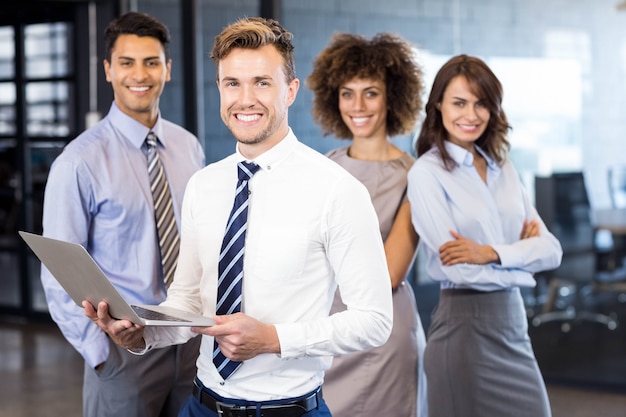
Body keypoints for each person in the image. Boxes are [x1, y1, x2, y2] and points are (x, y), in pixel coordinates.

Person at [85, 16, 393, 417]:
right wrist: (143, 334)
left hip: (289, 410)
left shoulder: (337, 190)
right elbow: (189, 301)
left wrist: (272, 339)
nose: (245, 99)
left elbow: (374, 321)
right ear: (219, 89)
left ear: (291, 91)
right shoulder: (204, 184)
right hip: (201, 406)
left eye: (262, 83)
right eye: (233, 83)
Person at [40, 12, 205, 417]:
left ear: (167, 70)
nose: (140, 74)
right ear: (108, 70)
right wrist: (101, 354)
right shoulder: (79, 161)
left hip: (190, 343)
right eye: (127, 62)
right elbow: (58, 272)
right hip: (123, 350)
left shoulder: (189, 147)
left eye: (151, 62)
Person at [407, 54, 563, 417]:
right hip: (463, 329)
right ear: (438, 106)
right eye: (459, 103)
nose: (471, 115)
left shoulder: (503, 167)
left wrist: (491, 253)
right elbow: (460, 270)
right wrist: (524, 265)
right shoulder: (427, 174)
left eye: (481, 104)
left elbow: (552, 251)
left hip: (513, 325)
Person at [306, 32, 428, 417]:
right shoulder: (323, 167)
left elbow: (389, 273)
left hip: (383, 334)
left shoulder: (415, 176)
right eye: (347, 93)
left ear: (392, 96)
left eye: (370, 92)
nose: (357, 106)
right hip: (325, 334)